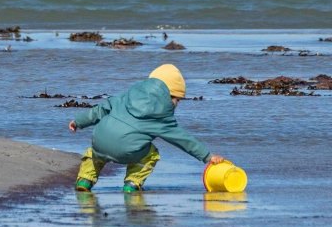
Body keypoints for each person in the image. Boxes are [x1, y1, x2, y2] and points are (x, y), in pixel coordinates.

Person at [67, 63, 225, 192]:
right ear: (170, 96)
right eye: (177, 100)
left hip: (100, 141)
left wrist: (78, 122)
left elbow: (99, 110)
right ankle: (132, 183)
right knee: (151, 154)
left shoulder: (127, 95)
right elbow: (182, 139)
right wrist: (207, 156)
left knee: (95, 153)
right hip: (126, 150)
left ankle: (85, 181)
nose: (177, 105)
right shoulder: (162, 116)